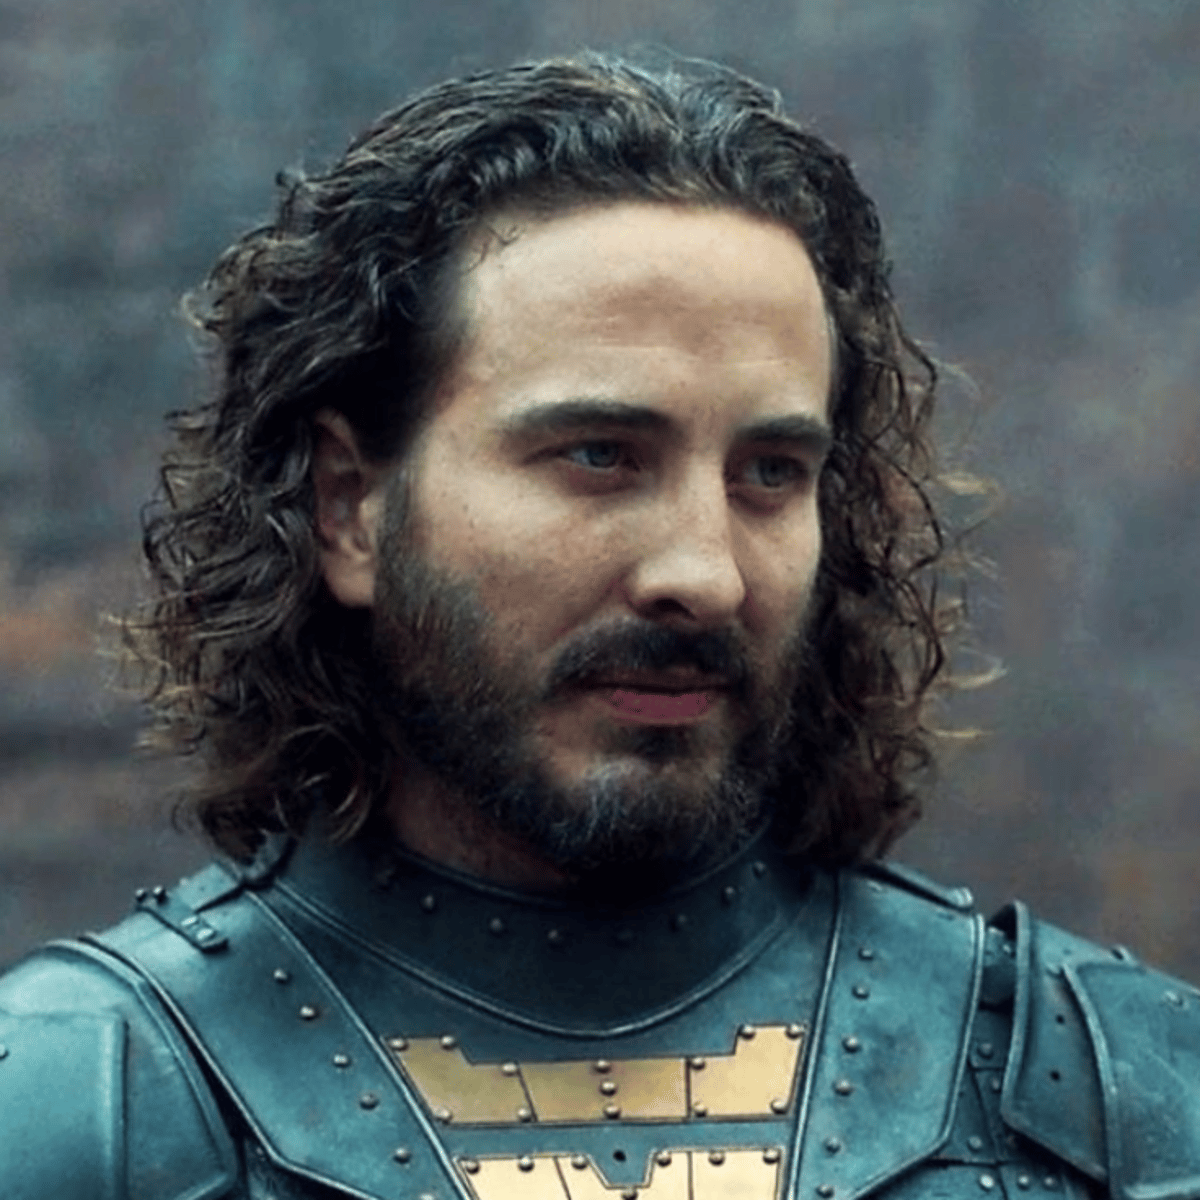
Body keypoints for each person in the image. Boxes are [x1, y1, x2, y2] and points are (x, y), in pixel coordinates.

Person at [2, 51, 1197, 1200]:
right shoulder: (68, 1112)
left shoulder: (1120, 1101)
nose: (705, 576)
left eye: (769, 471)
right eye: (599, 455)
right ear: (350, 508)